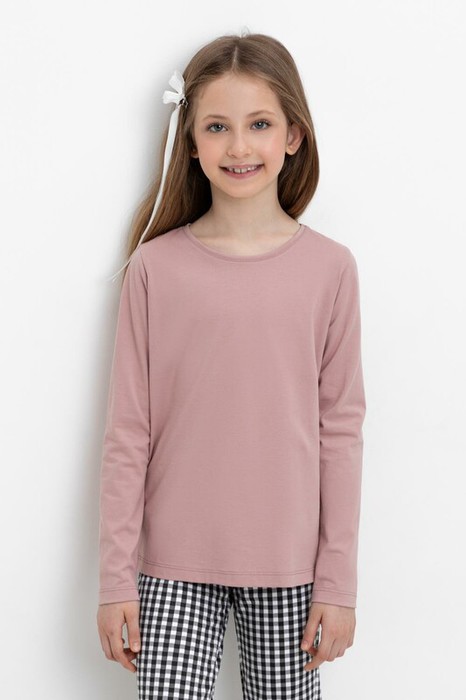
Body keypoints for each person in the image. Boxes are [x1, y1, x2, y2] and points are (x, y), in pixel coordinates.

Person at [96, 31, 366, 700]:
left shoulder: (330, 269)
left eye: (260, 124)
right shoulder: (155, 269)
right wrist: (115, 580)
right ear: (190, 141)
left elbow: (341, 433)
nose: (239, 146)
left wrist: (337, 584)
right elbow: (128, 432)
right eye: (217, 126)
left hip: (291, 570)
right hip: (171, 568)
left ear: (294, 135)